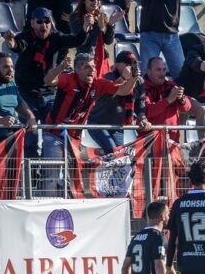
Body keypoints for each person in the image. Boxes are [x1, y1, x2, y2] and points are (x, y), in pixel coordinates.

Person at [40, 53, 139, 197]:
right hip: (54, 134)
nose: (92, 70)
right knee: (52, 175)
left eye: (93, 67)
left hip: (75, 139)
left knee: (73, 175)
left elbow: (123, 90)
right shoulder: (69, 79)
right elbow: (48, 80)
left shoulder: (97, 84)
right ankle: (48, 207)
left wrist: (134, 77)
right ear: (77, 69)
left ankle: (72, 205)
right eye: (87, 67)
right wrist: (60, 67)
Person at [3, 7, 93, 134]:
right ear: (32, 23)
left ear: (51, 24)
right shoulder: (27, 36)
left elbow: (77, 40)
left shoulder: (56, 38)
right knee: (30, 134)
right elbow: (17, 45)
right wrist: (10, 41)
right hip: (26, 94)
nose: (43, 25)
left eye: (47, 21)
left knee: (53, 131)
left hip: (49, 93)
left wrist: (85, 28)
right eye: (39, 22)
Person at [86, 51, 149, 154]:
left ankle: (104, 164)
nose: (132, 66)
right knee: (112, 150)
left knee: (120, 155)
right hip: (98, 123)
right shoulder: (109, 77)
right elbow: (118, 91)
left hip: (117, 127)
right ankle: (99, 162)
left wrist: (142, 118)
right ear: (117, 65)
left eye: (134, 63)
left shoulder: (139, 81)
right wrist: (125, 78)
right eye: (128, 64)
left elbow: (140, 103)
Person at [140, 0, 195, 78]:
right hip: (150, 34)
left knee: (181, 73)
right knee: (148, 73)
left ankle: (179, 96)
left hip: (172, 35)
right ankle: (145, 96)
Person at [70, 0, 125, 79]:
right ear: (84, 0)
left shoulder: (100, 16)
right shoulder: (76, 18)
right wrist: (99, 27)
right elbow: (82, 42)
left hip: (102, 58)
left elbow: (108, 41)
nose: (96, 1)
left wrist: (110, 25)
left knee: (102, 90)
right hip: (87, 60)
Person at [143, 57, 193, 143]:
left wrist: (181, 99)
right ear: (148, 71)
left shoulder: (170, 85)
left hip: (172, 140)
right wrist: (168, 100)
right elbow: (146, 111)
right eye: (158, 70)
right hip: (150, 141)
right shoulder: (142, 88)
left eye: (164, 70)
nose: (162, 73)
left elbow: (186, 108)